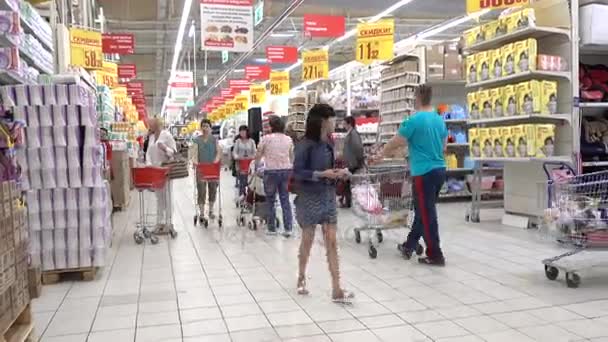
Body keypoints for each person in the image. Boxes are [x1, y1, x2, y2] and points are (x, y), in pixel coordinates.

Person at [374, 85, 447, 266]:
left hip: (423, 173)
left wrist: (381, 154)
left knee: (427, 214)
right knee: (424, 211)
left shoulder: (413, 120)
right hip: (440, 170)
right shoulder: (439, 120)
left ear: (417, 98)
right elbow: (444, 147)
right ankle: (409, 245)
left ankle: (435, 254)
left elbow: (395, 142)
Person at [293, 103, 353, 302]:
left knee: (332, 242)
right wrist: (321, 174)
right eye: (332, 119)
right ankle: (301, 276)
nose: (335, 122)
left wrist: (338, 174)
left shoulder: (329, 143)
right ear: (322, 121)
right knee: (307, 241)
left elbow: (329, 169)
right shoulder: (304, 145)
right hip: (309, 198)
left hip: (327, 196)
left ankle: (337, 288)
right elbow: (298, 172)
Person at [255, 115, 294, 237]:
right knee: (285, 199)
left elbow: (258, 154)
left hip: (271, 171)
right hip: (285, 171)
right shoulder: (288, 139)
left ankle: (272, 228)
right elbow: (291, 155)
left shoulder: (266, 139)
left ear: (271, 126)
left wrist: (256, 167)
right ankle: (288, 228)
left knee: (270, 200)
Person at [146, 117, 177, 230]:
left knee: (168, 195)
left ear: (157, 124)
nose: (150, 126)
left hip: (166, 170)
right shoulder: (151, 137)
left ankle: (169, 222)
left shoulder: (167, 135)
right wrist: (148, 163)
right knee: (159, 196)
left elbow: (173, 152)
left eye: (151, 124)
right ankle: (160, 221)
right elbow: (148, 153)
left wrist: (165, 149)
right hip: (155, 170)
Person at [192, 119, 221, 220]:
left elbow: (218, 152)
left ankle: (211, 210)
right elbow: (194, 153)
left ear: (210, 128)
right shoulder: (196, 140)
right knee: (201, 190)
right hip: (201, 168)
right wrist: (195, 162)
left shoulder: (214, 140)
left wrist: (216, 160)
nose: (205, 128)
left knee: (213, 188)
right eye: (203, 126)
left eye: (207, 126)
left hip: (212, 168)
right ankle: (201, 213)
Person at [341, 116, 364, 208]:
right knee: (347, 182)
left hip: (353, 162)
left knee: (347, 182)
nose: (343, 125)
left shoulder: (353, 134)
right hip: (350, 162)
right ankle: (347, 202)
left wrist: (359, 160)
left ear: (349, 123)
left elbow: (358, 147)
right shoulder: (350, 133)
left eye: (344, 123)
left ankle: (348, 203)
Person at [233, 125, 256, 197]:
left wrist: (252, 157)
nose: (242, 133)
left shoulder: (251, 141)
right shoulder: (238, 141)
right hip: (240, 163)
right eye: (241, 131)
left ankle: (249, 196)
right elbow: (234, 152)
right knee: (242, 181)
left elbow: (255, 152)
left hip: (250, 163)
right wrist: (237, 157)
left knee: (250, 181)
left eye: (243, 131)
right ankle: (241, 196)